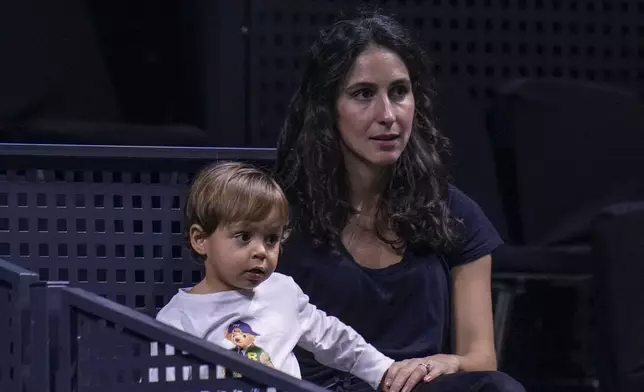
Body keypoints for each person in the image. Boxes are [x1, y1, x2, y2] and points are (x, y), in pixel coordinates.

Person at [274, 9, 526, 392]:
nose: (387, 115)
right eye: (363, 94)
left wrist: (449, 361)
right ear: (327, 108)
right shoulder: (279, 214)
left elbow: (480, 357)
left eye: (399, 92)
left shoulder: (454, 213)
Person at [155, 161, 424, 391]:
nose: (261, 251)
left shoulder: (282, 291)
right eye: (244, 237)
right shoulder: (178, 320)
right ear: (200, 240)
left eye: (271, 239)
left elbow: (333, 339)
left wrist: (384, 372)